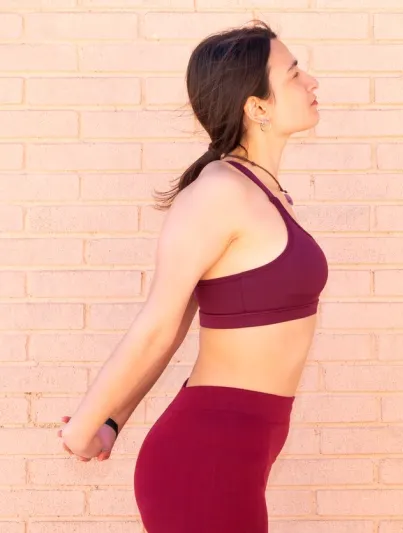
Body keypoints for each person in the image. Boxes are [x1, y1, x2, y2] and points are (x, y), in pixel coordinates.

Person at [56, 20, 326, 532]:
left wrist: (116, 422)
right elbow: (156, 324)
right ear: (257, 105)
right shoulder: (219, 192)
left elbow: (177, 325)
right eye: (293, 73)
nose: (311, 82)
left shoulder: (263, 193)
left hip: (244, 447)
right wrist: (87, 426)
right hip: (207, 457)